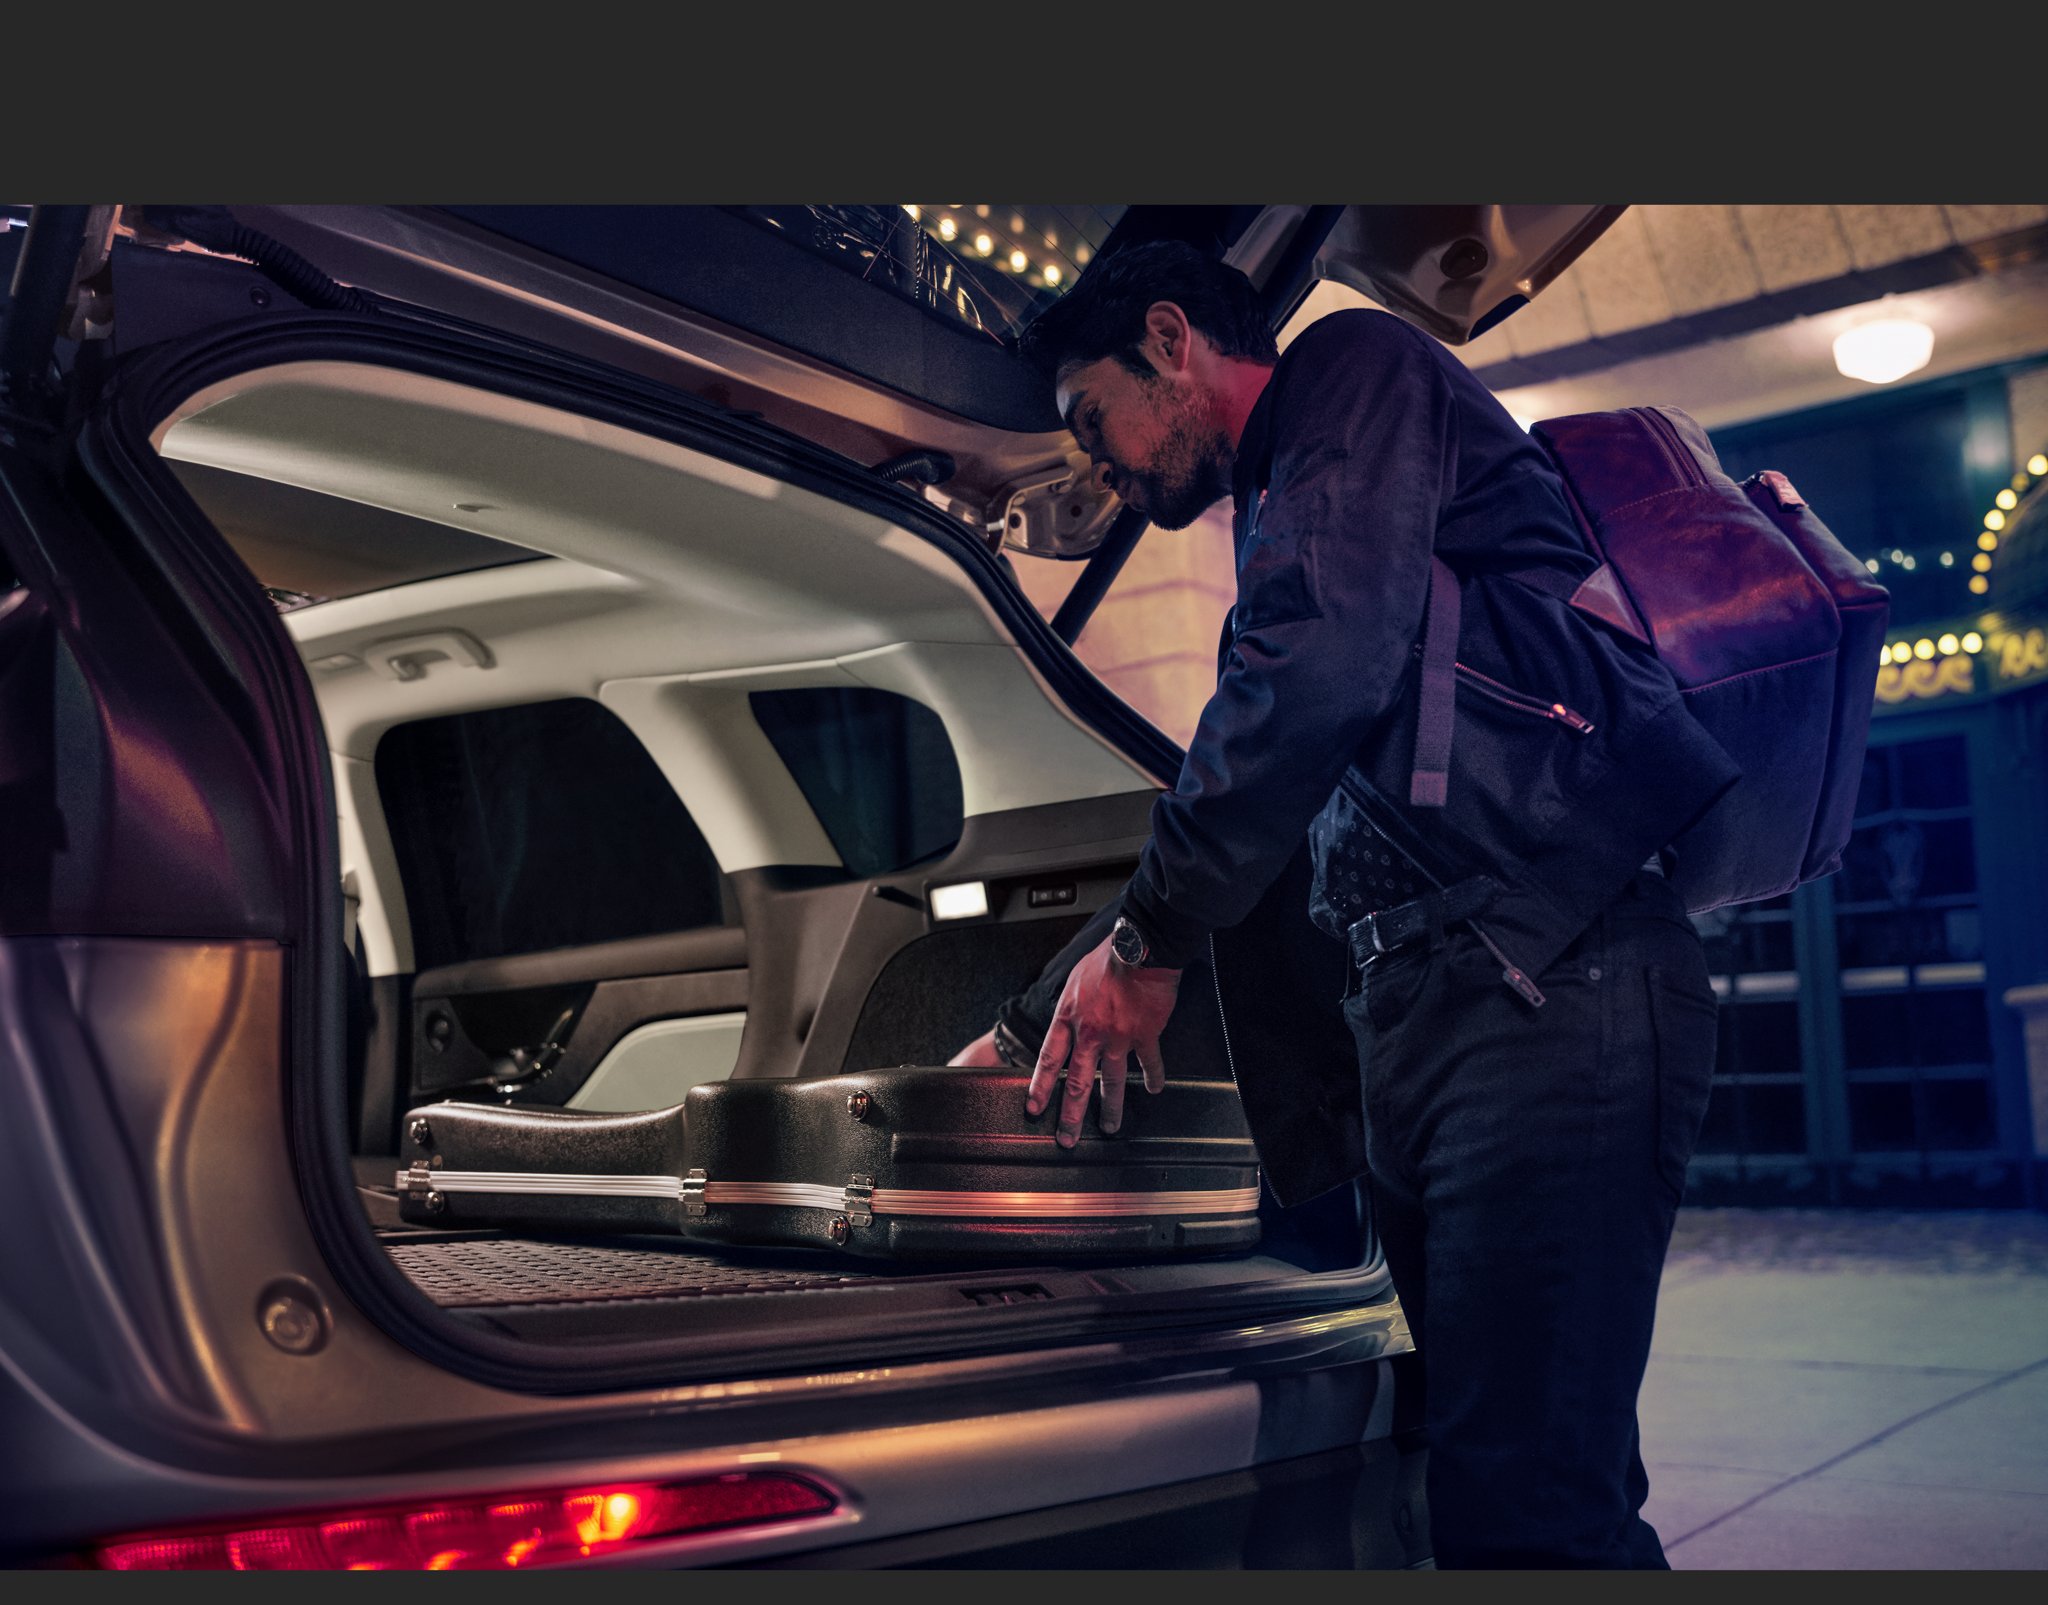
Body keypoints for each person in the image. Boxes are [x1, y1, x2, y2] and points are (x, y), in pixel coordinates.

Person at [956, 241, 1733, 1569]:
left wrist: (1147, 937)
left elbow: (1308, 678)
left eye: (1096, 419)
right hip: (1451, 1007)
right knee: (1519, 1484)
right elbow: (1265, 785)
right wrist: (1038, 1019)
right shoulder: (1289, 503)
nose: (1099, 465)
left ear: (1172, 340)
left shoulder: (1351, 376)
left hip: (1551, 975)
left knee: (1529, 1511)